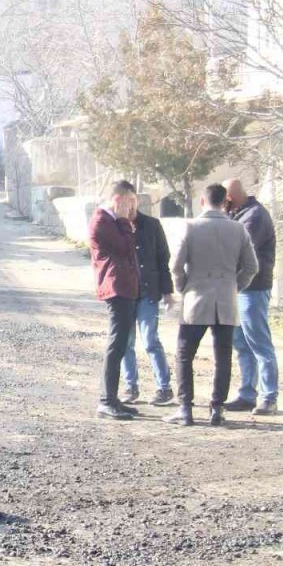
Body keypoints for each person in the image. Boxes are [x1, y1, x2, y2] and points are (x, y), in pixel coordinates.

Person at [165, 183, 259, 428]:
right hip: (226, 299)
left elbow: (175, 265)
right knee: (223, 356)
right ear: (224, 201)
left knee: (185, 355)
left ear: (203, 202)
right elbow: (252, 267)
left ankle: (185, 408)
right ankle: (217, 409)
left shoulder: (191, 227)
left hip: (196, 298)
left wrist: (183, 285)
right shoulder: (238, 229)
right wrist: (234, 286)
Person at [222, 179, 280, 415]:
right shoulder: (238, 213)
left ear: (229, 198)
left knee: (259, 344)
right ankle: (247, 393)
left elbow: (237, 250)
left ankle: (269, 397)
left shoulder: (254, 216)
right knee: (242, 344)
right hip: (237, 289)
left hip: (253, 288)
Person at [88, 180, 142, 420]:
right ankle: (106, 400)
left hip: (125, 288)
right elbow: (125, 247)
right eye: (130, 201)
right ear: (118, 199)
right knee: (116, 344)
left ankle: (113, 398)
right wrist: (124, 220)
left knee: (121, 346)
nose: (132, 207)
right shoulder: (103, 221)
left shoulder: (113, 221)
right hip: (115, 287)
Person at [121, 208, 176, 407]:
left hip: (147, 292)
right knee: (125, 342)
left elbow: (163, 260)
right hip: (124, 294)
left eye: (132, 201)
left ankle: (164, 387)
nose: (129, 207)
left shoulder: (152, 225)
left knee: (150, 339)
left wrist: (167, 291)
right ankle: (130, 386)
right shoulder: (115, 225)